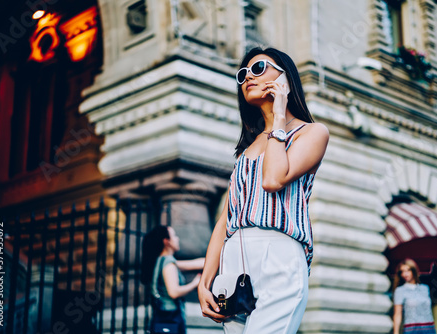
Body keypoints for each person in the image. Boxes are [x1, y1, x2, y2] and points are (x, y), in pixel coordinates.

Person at [197, 47, 330, 333]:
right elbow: (225, 219)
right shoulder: (246, 150)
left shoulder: (312, 132)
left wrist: (279, 117)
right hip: (234, 258)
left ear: (286, 78)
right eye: (243, 74)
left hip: (279, 253)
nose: (248, 78)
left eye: (258, 69)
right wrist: (204, 281)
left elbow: (273, 179)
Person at [141, 225, 205, 334]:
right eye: (174, 236)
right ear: (167, 241)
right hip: (171, 317)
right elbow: (174, 292)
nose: (177, 239)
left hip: (161, 316)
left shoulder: (161, 261)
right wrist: (195, 283)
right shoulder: (169, 263)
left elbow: (194, 264)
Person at [392, 259, 436, 334]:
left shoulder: (425, 288)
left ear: (414, 271)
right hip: (411, 329)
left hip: (429, 329)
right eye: (402, 271)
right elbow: (397, 314)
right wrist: (395, 332)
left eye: (408, 270)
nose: (405, 274)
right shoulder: (400, 291)